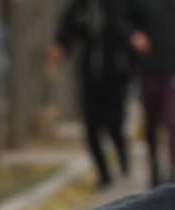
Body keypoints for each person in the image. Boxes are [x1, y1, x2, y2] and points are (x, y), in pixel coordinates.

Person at [51, 0, 136, 189]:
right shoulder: (81, 6)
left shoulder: (120, 5)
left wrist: (134, 45)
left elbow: (133, 27)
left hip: (116, 75)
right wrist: (61, 46)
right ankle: (104, 174)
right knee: (92, 127)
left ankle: (124, 159)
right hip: (90, 76)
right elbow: (68, 28)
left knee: (115, 123)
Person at [128, 0, 175, 186]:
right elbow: (124, 17)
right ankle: (154, 169)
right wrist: (134, 35)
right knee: (151, 122)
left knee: (172, 118)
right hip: (148, 66)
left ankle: (174, 171)